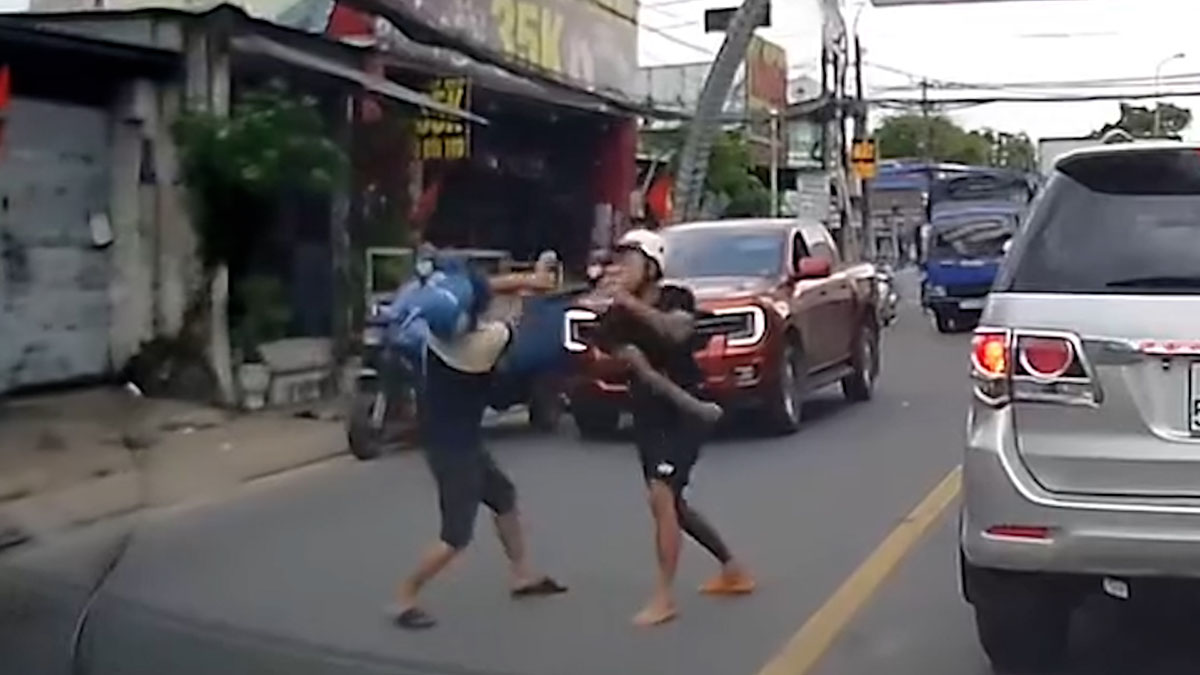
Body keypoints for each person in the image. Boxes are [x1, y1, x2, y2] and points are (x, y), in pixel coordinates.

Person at [588, 229, 755, 627]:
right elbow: (622, 361)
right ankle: (733, 569)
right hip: (649, 411)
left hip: (686, 411)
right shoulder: (612, 319)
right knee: (670, 503)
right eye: (617, 262)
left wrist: (628, 303)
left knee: (662, 496)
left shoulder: (675, 297)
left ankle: (664, 597)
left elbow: (675, 331)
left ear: (651, 266)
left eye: (628, 262)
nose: (619, 270)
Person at [391, 255, 566, 630]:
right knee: (455, 536)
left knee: (503, 496)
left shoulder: (439, 336)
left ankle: (522, 574)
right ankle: (406, 596)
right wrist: (535, 287)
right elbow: (522, 321)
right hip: (455, 449)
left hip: (453, 437)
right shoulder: (487, 342)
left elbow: (483, 289)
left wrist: (528, 279)